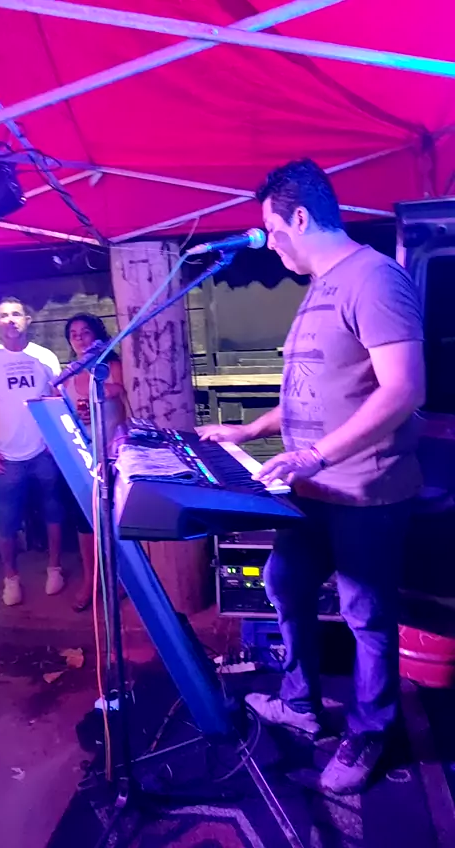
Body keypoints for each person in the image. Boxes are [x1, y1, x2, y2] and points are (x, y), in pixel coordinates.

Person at [198, 160, 425, 795]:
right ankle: (300, 702)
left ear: (300, 217)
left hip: (365, 488)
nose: (270, 244)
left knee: (366, 612)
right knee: (284, 581)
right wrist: (250, 431)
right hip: (315, 487)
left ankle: (373, 730)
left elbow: (404, 390)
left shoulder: (375, 279)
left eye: (272, 230)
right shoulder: (321, 286)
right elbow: (316, 389)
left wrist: (317, 453)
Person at [0, 297, 65, 606]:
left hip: (44, 451)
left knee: (54, 511)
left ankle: (55, 568)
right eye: (3, 315)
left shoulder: (45, 356)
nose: (10, 320)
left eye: (16, 314)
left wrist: (57, 441)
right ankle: (10, 578)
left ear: (28, 320)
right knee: (5, 521)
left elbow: (57, 398)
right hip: (7, 456)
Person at [63, 313, 126, 611]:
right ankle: (90, 580)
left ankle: (121, 578)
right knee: (85, 523)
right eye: (73, 334)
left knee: (114, 520)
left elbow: (125, 398)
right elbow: (63, 414)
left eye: (85, 332)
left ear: (98, 335)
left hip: (113, 457)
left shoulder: (112, 367)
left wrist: (105, 393)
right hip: (81, 458)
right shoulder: (67, 375)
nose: (79, 338)